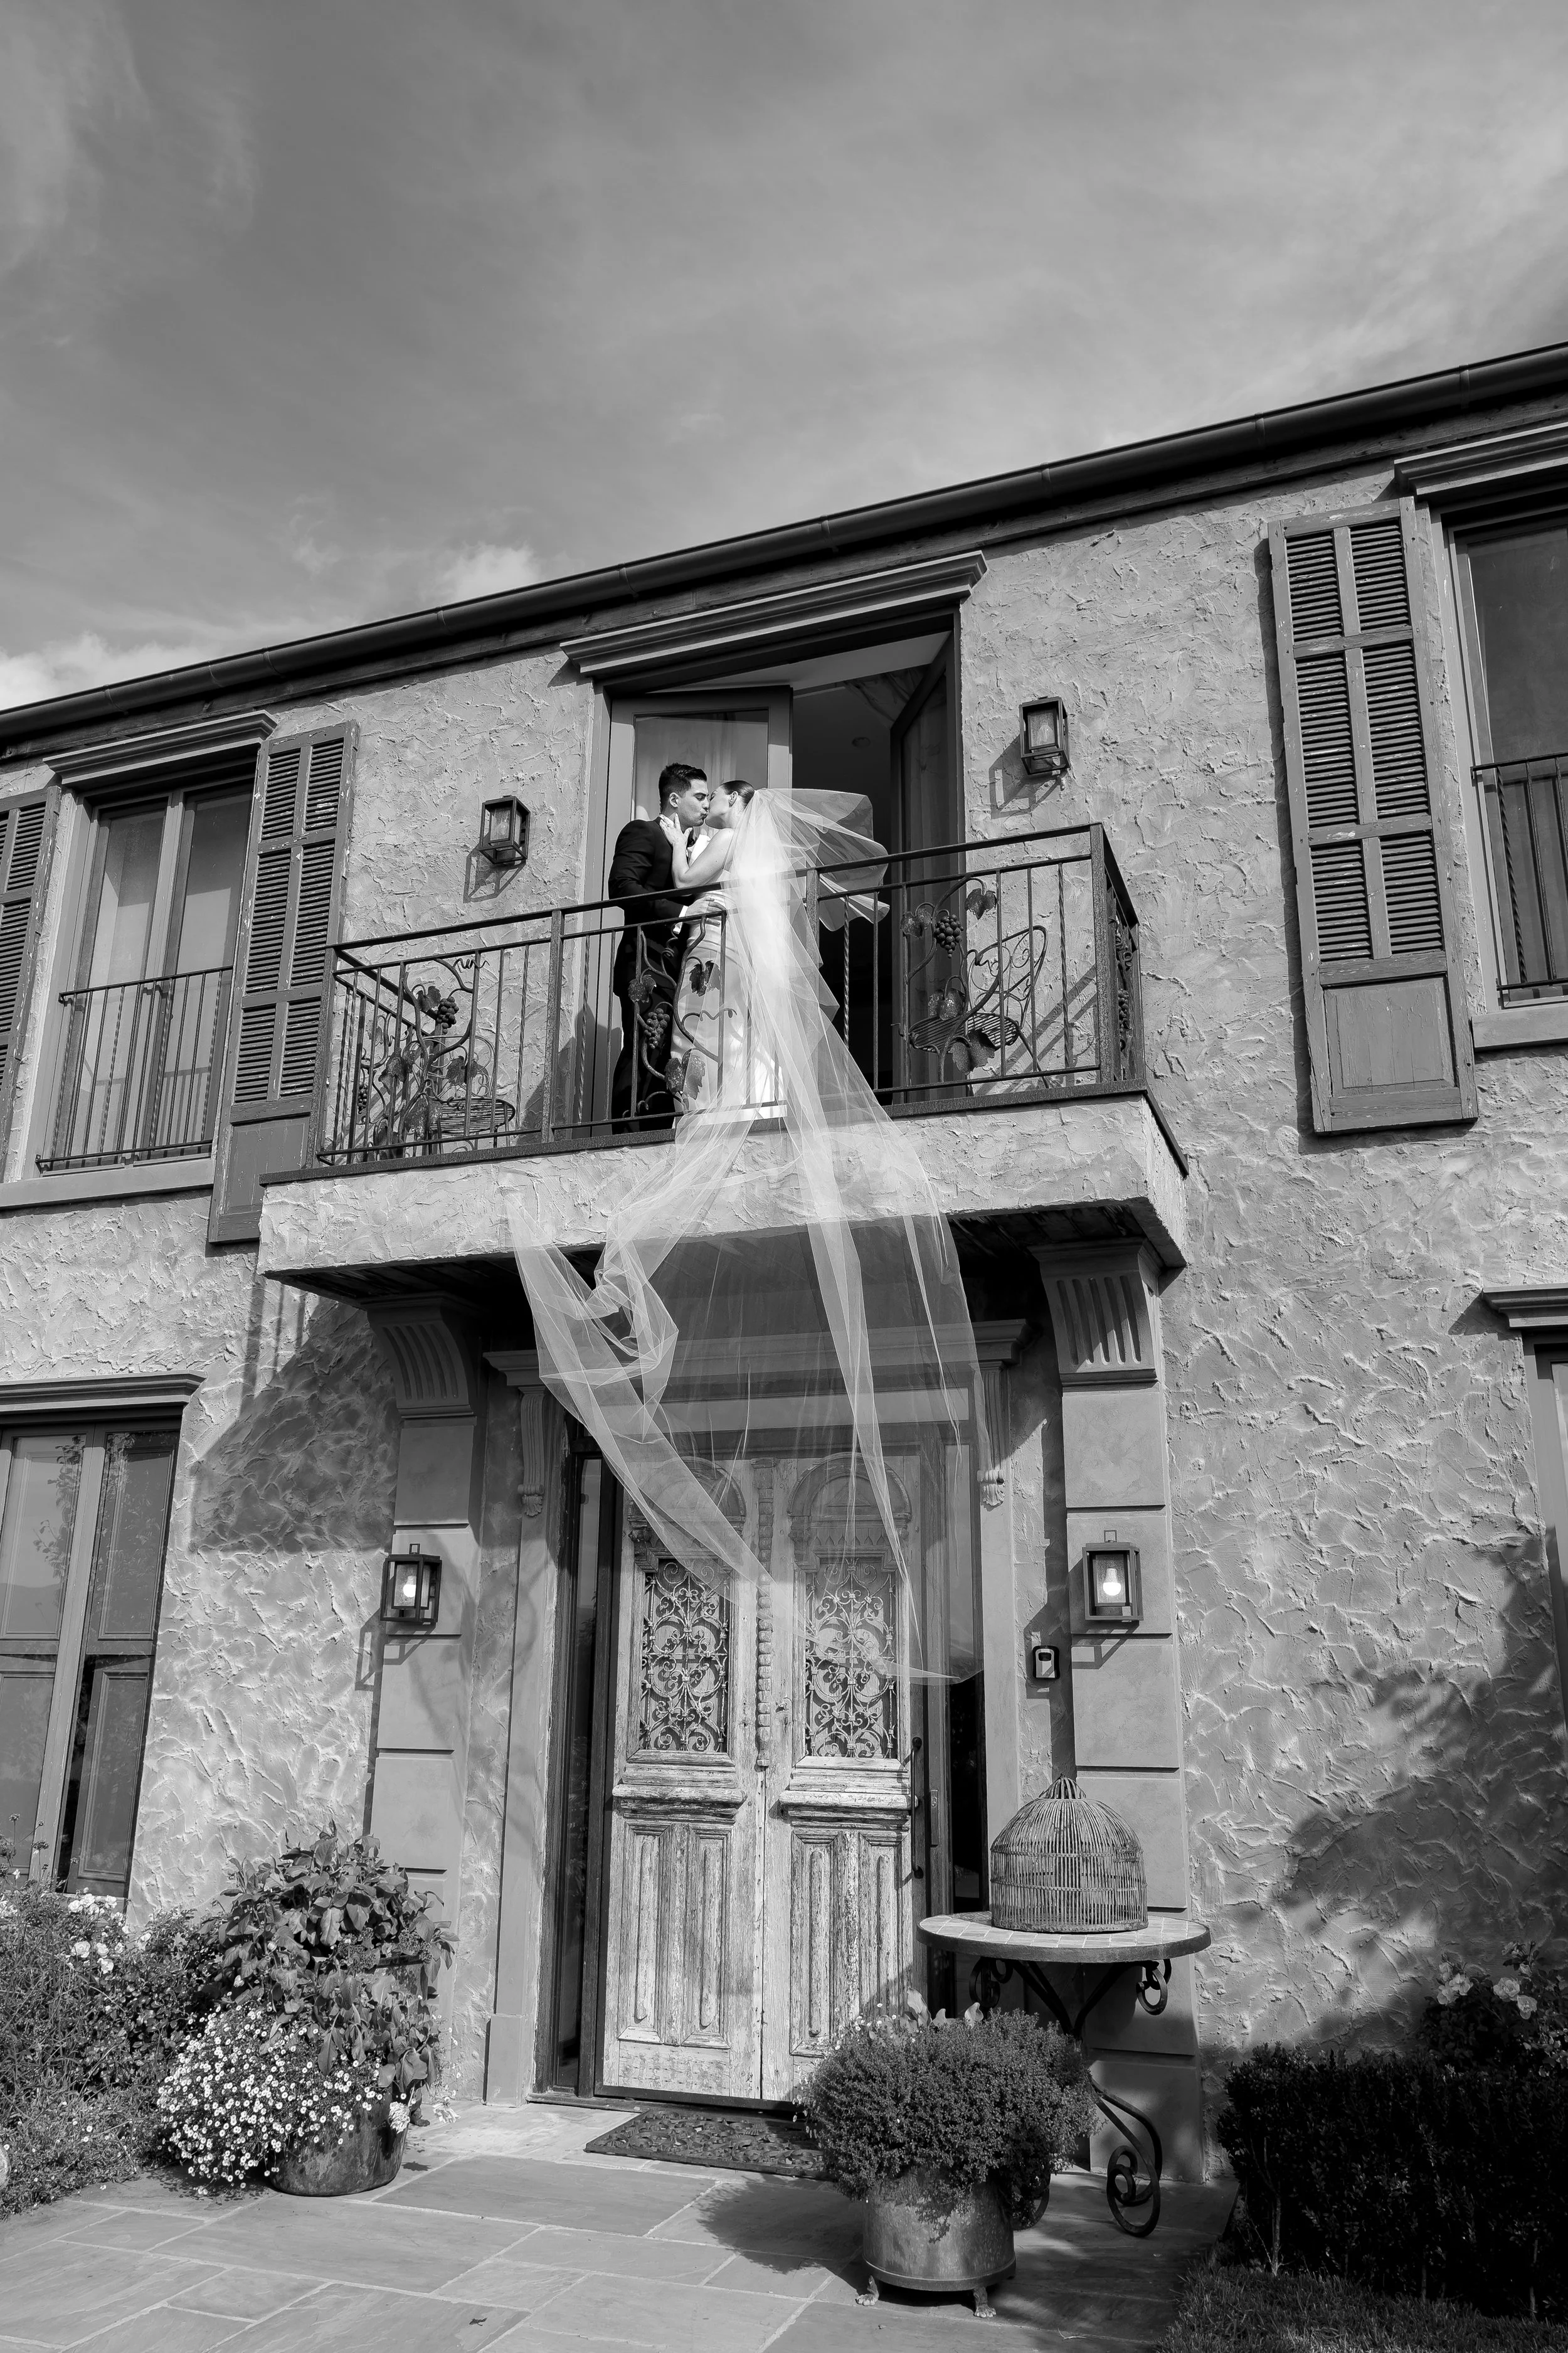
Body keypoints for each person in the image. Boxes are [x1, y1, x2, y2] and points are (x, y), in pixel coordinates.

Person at [510, 780, 990, 1654]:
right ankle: (735, 1109)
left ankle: (732, 1115)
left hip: (724, 962)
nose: (701, 810)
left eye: (712, 799)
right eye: (691, 797)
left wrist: (699, 846)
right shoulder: (739, 856)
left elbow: (692, 871)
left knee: (732, 1044)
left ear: (734, 807)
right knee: (736, 1042)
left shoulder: (721, 844)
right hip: (728, 965)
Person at [605, 762, 709, 1127]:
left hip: (681, 968)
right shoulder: (642, 832)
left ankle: (659, 1127)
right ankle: (627, 1134)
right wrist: (682, 911)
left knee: (670, 1052)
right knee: (643, 1047)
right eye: (700, 797)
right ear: (674, 798)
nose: (707, 805)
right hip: (646, 962)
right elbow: (621, 886)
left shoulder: (693, 847)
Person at [665, 778, 756, 1116]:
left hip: (711, 944)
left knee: (692, 1027)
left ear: (732, 798)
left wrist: (677, 843)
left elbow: (685, 881)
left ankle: (696, 1115)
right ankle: (722, 1105)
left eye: (713, 796)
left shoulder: (730, 837)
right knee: (723, 1028)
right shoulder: (749, 845)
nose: (708, 804)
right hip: (730, 947)